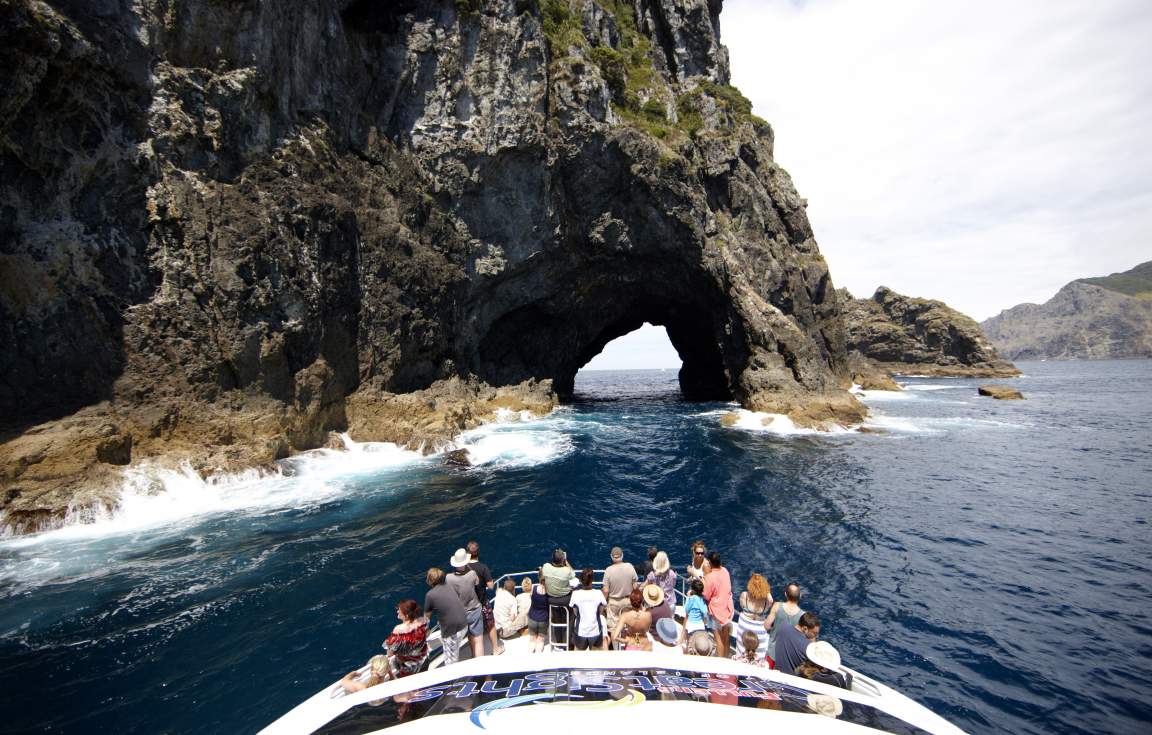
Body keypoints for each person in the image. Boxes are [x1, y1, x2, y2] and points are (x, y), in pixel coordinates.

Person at [446, 548, 486, 658]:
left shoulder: (449, 578)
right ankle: (481, 668)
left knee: (466, 638)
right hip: (474, 608)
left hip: (460, 613)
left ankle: (472, 660)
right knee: (478, 639)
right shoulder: (472, 574)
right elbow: (477, 583)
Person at [423, 567, 467, 666]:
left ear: (430, 580)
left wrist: (425, 631)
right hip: (464, 624)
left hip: (452, 631)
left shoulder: (430, 595)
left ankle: (455, 679)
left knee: (450, 662)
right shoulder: (449, 586)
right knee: (454, 650)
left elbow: (426, 619)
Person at [466, 540, 501, 655]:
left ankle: (473, 653)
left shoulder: (463, 568)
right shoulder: (482, 567)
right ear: (478, 553)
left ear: (468, 553)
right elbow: (491, 586)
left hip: (469, 604)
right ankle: (495, 648)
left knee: (471, 630)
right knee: (490, 624)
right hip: (482, 602)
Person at [383, 599, 428, 679]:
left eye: (399, 610)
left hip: (408, 668)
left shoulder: (398, 629)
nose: (397, 611)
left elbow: (390, 653)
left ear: (406, 615)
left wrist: (388, 644)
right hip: (423, 661)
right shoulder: (423, 621)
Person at [765, 582, 805, 666]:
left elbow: (766, 626)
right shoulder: (802, 615)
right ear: (800, 596)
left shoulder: (777, 606)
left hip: (773, 653)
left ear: (785, 594)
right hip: (789, 657)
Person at [703, 551, 734, 658]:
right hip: (727, 610)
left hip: (715, 613)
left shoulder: (710, 577)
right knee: (726, 637)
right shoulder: (725, 571)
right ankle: (726, 658)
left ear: (711, 563)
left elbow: (706, 596)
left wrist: (705, 577)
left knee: (719, 639)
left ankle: (721, 665)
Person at [602, 546, 638, 634]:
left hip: (614, 602)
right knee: (628, 626)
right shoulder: (630, 566)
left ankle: (615, 646)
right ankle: (627, 644)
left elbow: (606, 591)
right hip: (628, 601)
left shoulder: (608, 570)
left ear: (612, 557)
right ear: (622, 556)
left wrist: (603, 603)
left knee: (614, 629)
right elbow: (635, 586)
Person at [570, 568, 608, 650]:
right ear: (592, 580)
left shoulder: (575, 594)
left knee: (578, 653)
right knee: (596, 655)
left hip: (581, 630)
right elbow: (601, 610)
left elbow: (575, 612)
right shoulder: (598, 593)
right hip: (595, 630)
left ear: (581, 580)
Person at [735, 573, 771, 658]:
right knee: (758, 653)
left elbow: (742, 606)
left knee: (741, 649)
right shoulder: (767, 601)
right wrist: (765, 590)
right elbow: (771, 599)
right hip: (760, 629)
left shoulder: (744, 595)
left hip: (744, 626)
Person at [774, 611, 821, 676]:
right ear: (805, 629)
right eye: (814, 633)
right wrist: (813, 643)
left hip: (775, 673)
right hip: (789, 681)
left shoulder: (783, 626)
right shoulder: (808, 647)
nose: (816, 636)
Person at [679, 578, 708, 648]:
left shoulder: (692, 598)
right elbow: (705, 611)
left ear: (693, 590)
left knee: (690, 644)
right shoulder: (702, 599)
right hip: (700, 625)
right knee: (698, 645)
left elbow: (686, 609)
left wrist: (688, 598)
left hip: (691, 625)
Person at [526, 575, 550, 653]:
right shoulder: (549, 593)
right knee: (540, 640)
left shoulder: (534, 588)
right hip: (543, 619)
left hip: (532, 617)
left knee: (532, 639)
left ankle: (529, 655)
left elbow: (530, 597)